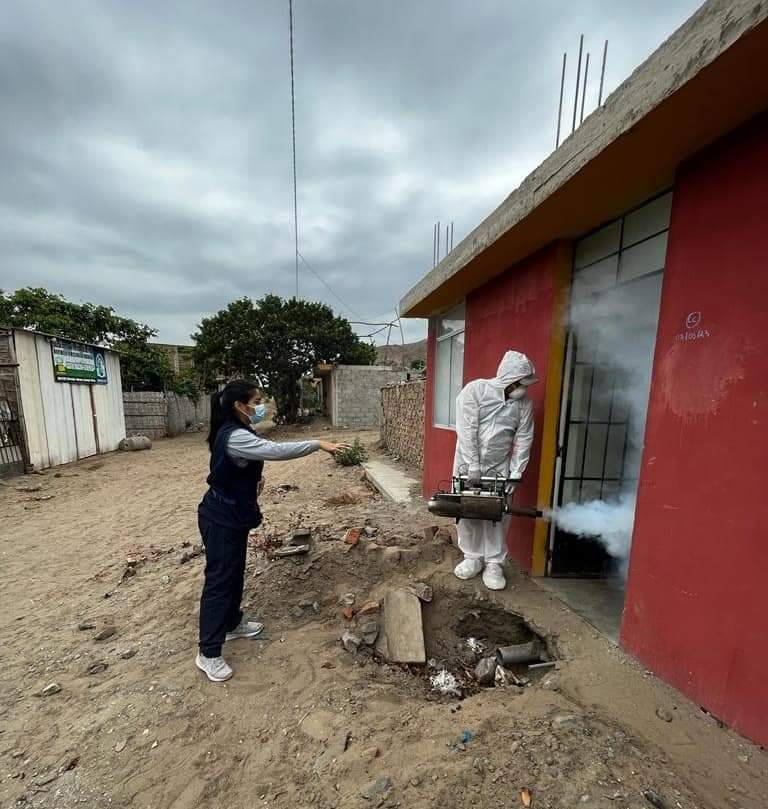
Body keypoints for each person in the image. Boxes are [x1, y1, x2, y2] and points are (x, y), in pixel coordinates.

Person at [195, 379, 349, 682]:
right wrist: (317, 444)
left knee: (234, 573)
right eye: (256, 402)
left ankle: (232, 623)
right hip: (220, 517)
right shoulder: (235, 435)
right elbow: (275, 450)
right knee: (219, 581)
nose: (260, 407)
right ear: (240, 406)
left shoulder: (239, 429)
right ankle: (208, 653)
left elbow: (242, 466)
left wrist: (253, 482)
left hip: (232, 515)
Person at [452, 350, 538, 591]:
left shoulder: (524, 405)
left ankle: (494, 563)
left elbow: (524, 437)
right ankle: (472, 557)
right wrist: (474, 465)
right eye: (521, 383)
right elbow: (467, 429)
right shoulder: (476, 391)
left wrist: (516, 472)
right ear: (509, 379)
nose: (524, 389)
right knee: (466, 508)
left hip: (500, 466)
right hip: (467, 462)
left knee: (498, 514)